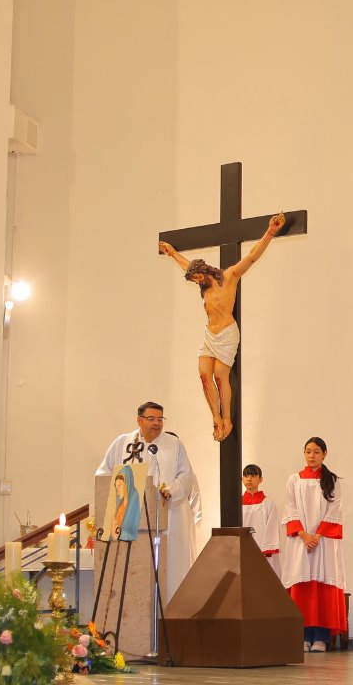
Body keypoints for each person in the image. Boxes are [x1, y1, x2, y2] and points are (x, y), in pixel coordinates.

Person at [158, 212, 286, 441]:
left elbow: (252, 257)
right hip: (210, 334)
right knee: (203, 375)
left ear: (204, 271)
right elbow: (185, 265)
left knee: (219, 376)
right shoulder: (204, 286)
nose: (196, 282)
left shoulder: (229, 277)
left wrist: (270, 232)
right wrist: (171, 253)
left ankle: (227, 418)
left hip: (226, 333)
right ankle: (215, 418)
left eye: (197, 277)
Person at [95, 401, 201, 603]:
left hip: (165, 515)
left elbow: (186, 475)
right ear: (139, 420)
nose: (157, 424)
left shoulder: (174, 444)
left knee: (168, 572)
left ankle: (166, 613)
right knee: (132, 575)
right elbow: (103, 473)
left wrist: (170, 491)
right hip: (129, 518)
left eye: (160, 419)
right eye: (151, 419)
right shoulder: (122, 443)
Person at [282, 437, 347, 653]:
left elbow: (334, 511)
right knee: (302, 588)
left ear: (324, 454)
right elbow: (289, 509)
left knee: (321, 588)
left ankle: (320, 636)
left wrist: (317, 536)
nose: (312, 455)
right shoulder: (294, 480)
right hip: (301, 541)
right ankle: (303, 636)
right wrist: (303, 535)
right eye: (308, 451)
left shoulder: (332, 480)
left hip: (323, 541)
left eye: (316, 452)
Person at [241, 463, 281, 576]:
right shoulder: (236, 503)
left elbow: (272, 529)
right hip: (243, 550)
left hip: (262, 551)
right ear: (242, 479)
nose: (249, 479)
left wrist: (265, 549)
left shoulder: (268, 503)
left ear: (261, 479)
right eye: (246, 476)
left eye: (253, 476)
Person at [112, 466, 142, 541]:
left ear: (127, 483)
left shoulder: (134, 499)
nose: (117, 490)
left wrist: (116, 533)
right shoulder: (120, 504)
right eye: (116, 486)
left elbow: (131, 531)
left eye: (120, 485)